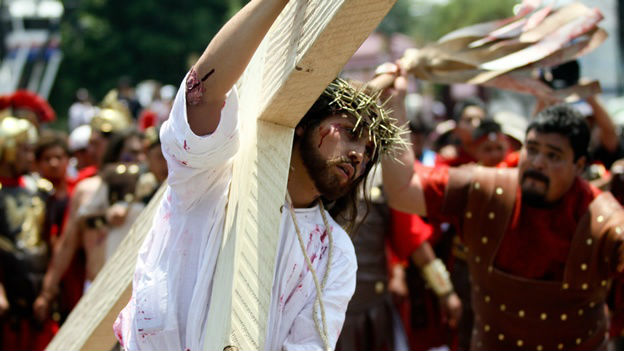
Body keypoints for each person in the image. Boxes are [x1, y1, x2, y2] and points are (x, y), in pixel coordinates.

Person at [113, 1, 404, 350]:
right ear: (303, 126)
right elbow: (202, 95)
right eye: (349, 132)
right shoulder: (212, 178)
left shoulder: (333, 254)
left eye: (370, 153)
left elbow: (308, 345)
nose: (359, 155)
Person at [382, 66, 624, 350]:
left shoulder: (606, 220)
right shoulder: (489, 188)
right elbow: (402, 191)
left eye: (553, 155)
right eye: (532, 150)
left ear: (579, 166)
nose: (537, 162)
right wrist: (392, 104)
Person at [0, 116, 59, 350]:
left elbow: (51, 242)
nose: (30, 156)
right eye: (24, 150)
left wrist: (48, 292)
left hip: (37, 294)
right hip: (8, 298)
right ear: (9, 149)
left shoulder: (39, 190)